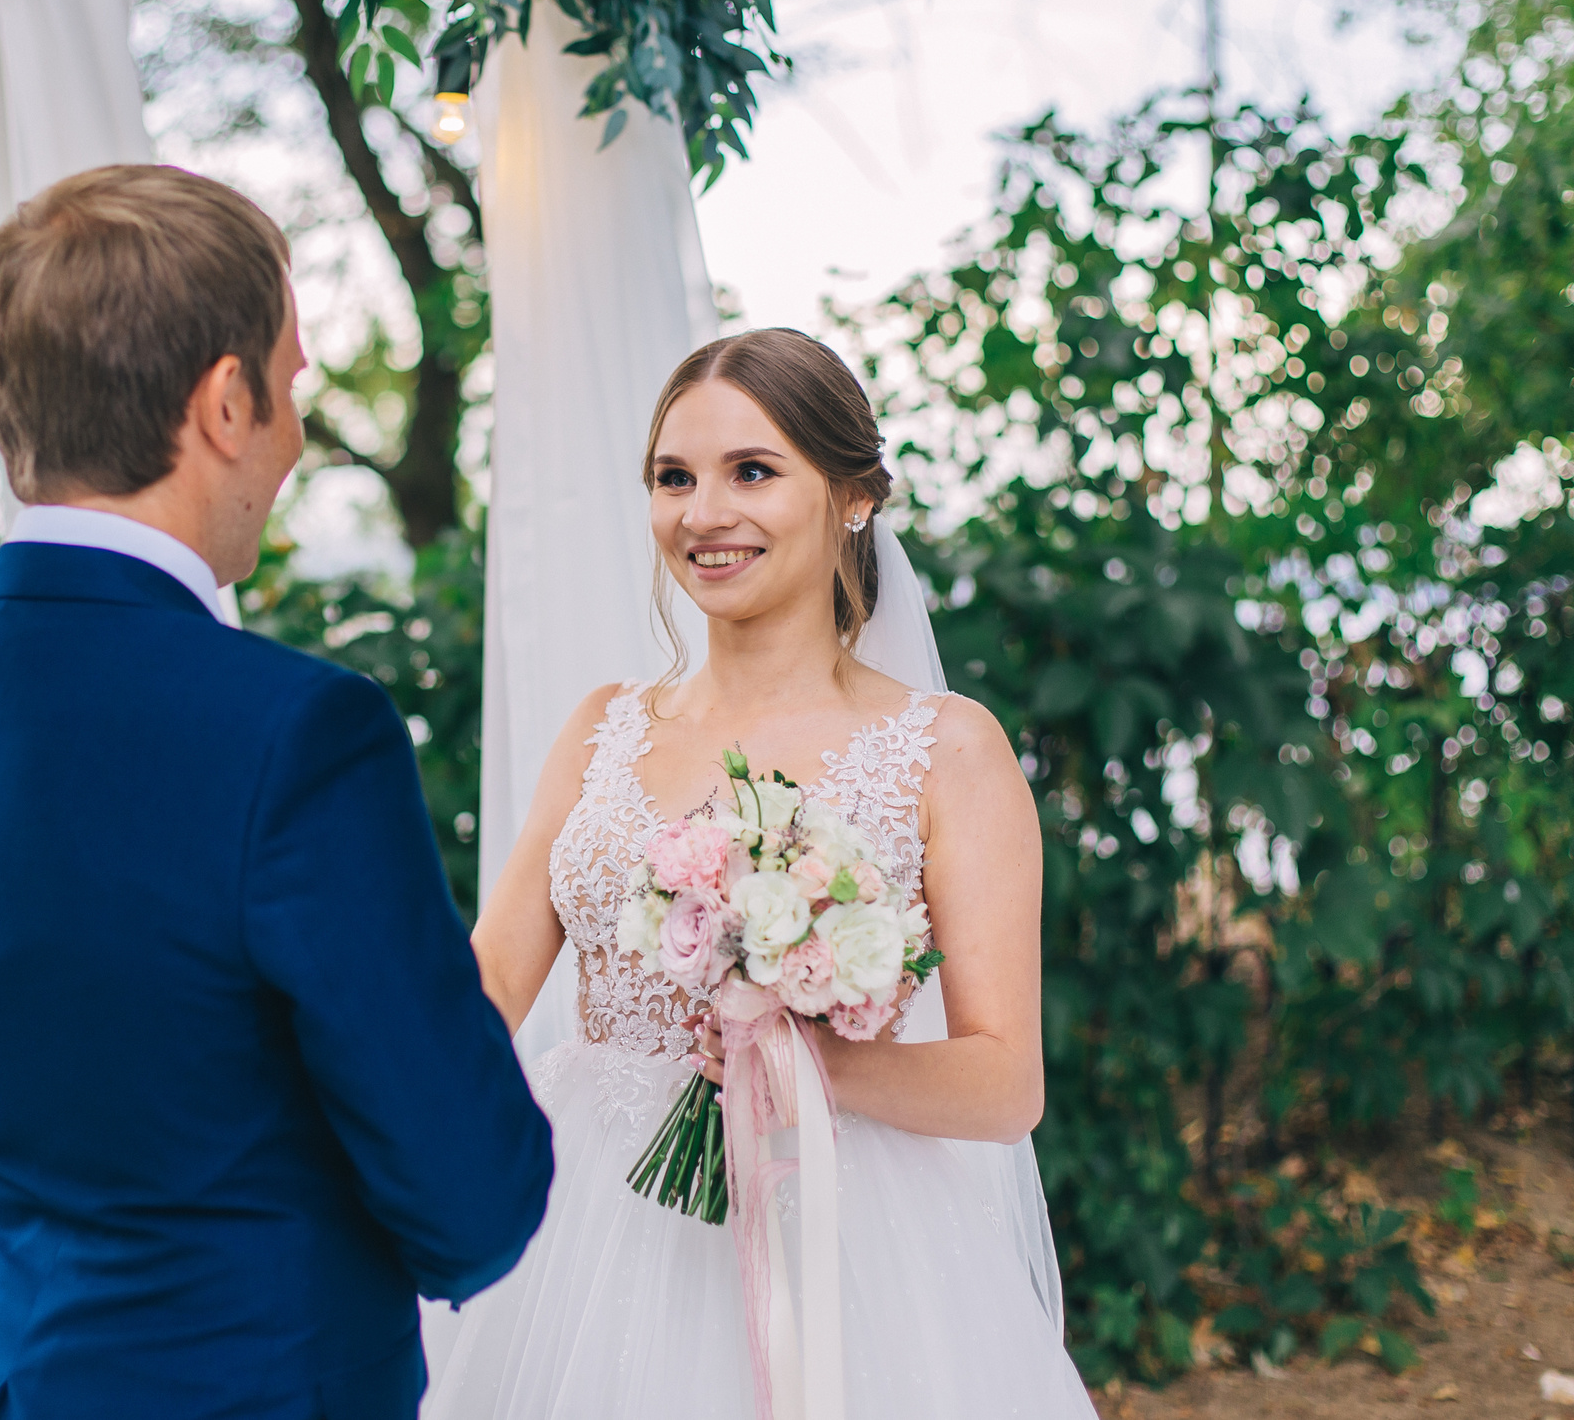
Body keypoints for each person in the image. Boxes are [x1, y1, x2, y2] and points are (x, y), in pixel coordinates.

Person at [0, 164, 553, 1420]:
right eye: (291, 386)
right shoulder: (298, 731)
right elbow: (470, 1197)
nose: (295, 432)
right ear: (224, 403)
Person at [430, 328, 1097, 1417]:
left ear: (853, 496)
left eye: (751, 471)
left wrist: (805, 1063)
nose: (703, 514)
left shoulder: (946, 750)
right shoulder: (602, 726)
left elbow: (1004, 1083)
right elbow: (490, 981)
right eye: (673, 478)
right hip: (585, 1225)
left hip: (839, 1229)